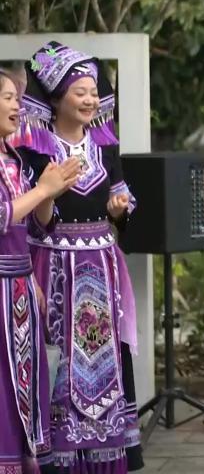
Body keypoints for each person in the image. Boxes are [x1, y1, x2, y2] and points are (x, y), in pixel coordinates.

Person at [15, 42, 144, 473]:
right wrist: (49, 192)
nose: (90, 100)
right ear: (56, 99)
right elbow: (34, 222)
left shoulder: (104, 146)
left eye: (93, 91)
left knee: (105, 358)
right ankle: (61, 456)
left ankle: (106, 454)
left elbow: (121, 201)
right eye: (79, 92)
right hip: (54, 267)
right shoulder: (35, 149)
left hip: (102, 266)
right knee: (59, 358)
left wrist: (119, 209)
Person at [0, 67, 79, 473]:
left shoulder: (13, 160)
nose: (17, 105)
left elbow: (34, 226)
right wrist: (42, 190)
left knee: (26, 385)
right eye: (7, 97)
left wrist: (49, 193)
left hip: (18, 288)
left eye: (17, 98)